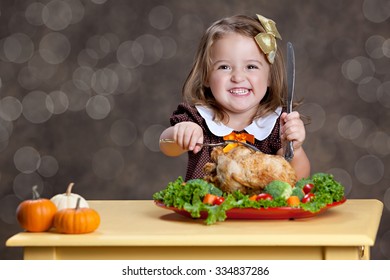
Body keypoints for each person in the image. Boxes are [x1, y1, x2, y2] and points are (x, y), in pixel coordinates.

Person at [159, 14, 310, 182]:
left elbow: (298, 178)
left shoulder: (277, 124)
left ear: (269, 77)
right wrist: (180, 134)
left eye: (251, 66)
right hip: (207, 207)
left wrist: (294, 149)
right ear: (206, 77)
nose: (238, 77)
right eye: (224, 67)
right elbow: (166, 145)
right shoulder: (199, 119)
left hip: (259, 207)